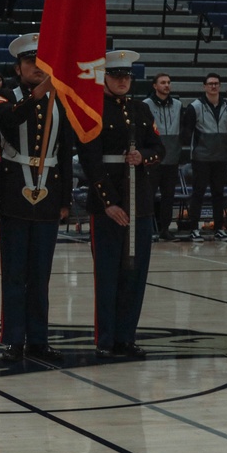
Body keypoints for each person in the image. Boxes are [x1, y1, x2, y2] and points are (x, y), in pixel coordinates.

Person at [0, 34, 72, 363]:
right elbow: (7, 120)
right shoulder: (3, 96)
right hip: (13, 195)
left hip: (48, 195)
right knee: (14, 272)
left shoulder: (60, 99)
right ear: (18, 67)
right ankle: (13, 339)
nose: (36, 68)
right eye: (29, 63)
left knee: (41, 273)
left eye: (41, 63)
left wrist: (65, 199)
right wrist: (39, 93)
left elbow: (65, 152)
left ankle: (38, 338)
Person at [78, 51, 164, 358]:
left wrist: (144, 156)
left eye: (126, 77)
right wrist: (109, 203)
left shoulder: (141, 109)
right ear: (104, 78)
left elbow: (159, 147)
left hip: (139, 202)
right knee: (108, 274)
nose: (122, 81)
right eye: (116, 76)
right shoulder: (94, 111)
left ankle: (126, 337)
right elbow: (91, 162)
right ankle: (106, 340)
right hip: (108, 204)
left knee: (135, 274)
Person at [183, 72, 227, 241]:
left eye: (216, 83)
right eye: (210, 83)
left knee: (218, 193)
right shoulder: (195, 106)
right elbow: (188, 132)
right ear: (204, 86)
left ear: (220, 86)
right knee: (198, 193)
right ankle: (193, 229)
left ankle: (219, 228)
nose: (213, 86)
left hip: (221, 157)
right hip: (201, 158)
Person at [143, 73, 185, 240]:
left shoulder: (178, 104)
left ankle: (165, 229)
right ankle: (149, 229)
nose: (167, 85)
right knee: (149, 195)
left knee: (169, 196)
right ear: (155, 85)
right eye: (163, 82)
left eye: (168, 82)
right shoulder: (146, 104)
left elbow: (184, 128)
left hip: (172, 157)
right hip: (154, 159)